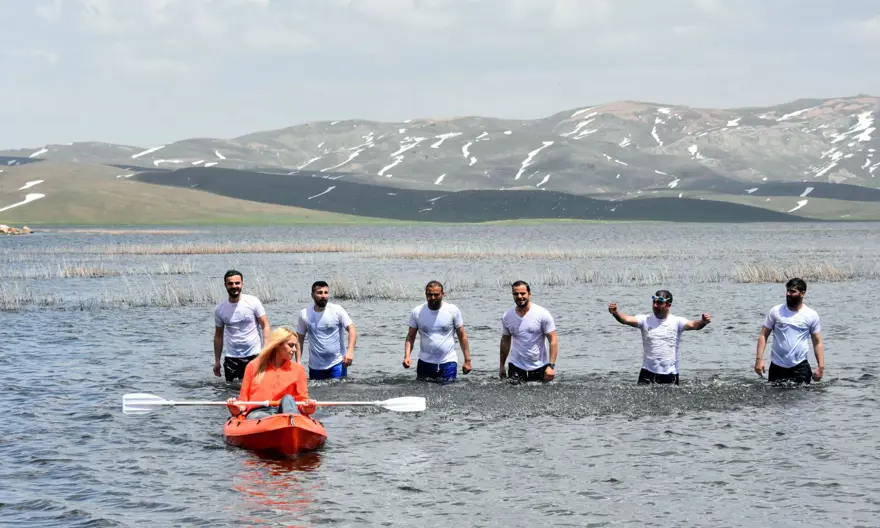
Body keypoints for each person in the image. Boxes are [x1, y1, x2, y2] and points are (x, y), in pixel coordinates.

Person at [608, 289, 711, 385]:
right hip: (647, 373)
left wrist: (703, 322)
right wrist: (616, 313)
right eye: (654, 302)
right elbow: (626, 320)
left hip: (670, 375)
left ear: (668, 305)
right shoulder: (645, 320)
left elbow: (694, 325)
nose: (655, 305)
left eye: (660, 302)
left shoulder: (677, 321)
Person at [226, 326, 317, 419]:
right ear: (277, 345)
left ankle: (290, 423)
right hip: (259, 412)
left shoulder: (298, 370)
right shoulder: (253, 366)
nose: (295, 349)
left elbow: (303, 404)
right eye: (290, 345)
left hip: (287, 412)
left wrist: (309, 407)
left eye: (295, 345)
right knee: (260, 416)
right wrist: (235, 407)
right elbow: (243, 402)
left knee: (288, 399)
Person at [755, 278, 824, 384]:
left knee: (804, 398)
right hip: (777, 366)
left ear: (802, 293)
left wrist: (820, 366)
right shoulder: (776, 311)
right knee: (774, 398)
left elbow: (817, 342)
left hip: (800, 367)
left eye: (792, 291)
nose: (788, 294)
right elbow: (763, 335)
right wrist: (759, 360)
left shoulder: (811, 315)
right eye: (787, 291)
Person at [403, 280, 472, 383]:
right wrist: (407, 356)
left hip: (448, 362)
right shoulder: (417, 312)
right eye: (430, 295)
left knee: (448, 393)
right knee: (422, 394)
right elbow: (410, 336)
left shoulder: (452, 310)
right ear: (425, 294)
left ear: (442, 294)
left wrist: (467, 360)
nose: (433, 298)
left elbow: (462, 336)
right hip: (425, 362)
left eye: (436, 295)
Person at [213, 269, 271, 382]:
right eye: (230, 283)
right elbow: (218, 336)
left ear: (242, 283)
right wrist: (217, 361)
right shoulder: (220, 308)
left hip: (254, 355)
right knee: (231, 392)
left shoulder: (253, 302)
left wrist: (265, 352)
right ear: (225, 285)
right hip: (232, 358)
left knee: (256, 391)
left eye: (237, 283)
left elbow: (265, 326)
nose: (234, 286)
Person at [296, 281, 357, 380]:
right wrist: (298, 361)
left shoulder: (337, 310)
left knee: (338, 392)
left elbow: (352, 329)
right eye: (319, 293)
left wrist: (350, 351)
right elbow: (299, 338)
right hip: (315, 366)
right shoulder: (304, 314)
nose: (323, 296)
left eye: (326, 292)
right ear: (312, 295)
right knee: (317, 394)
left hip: (337, 364)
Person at [499, 280, 558, 382]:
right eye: (516, 294)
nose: (520, 296)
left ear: (529, 294)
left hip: (539, 366)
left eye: (523, 293)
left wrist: (551, 366)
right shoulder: (507, 316)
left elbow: (553, 339)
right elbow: (505, 341)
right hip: (515, 365)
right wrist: (501, 366)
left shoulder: (542, 313)